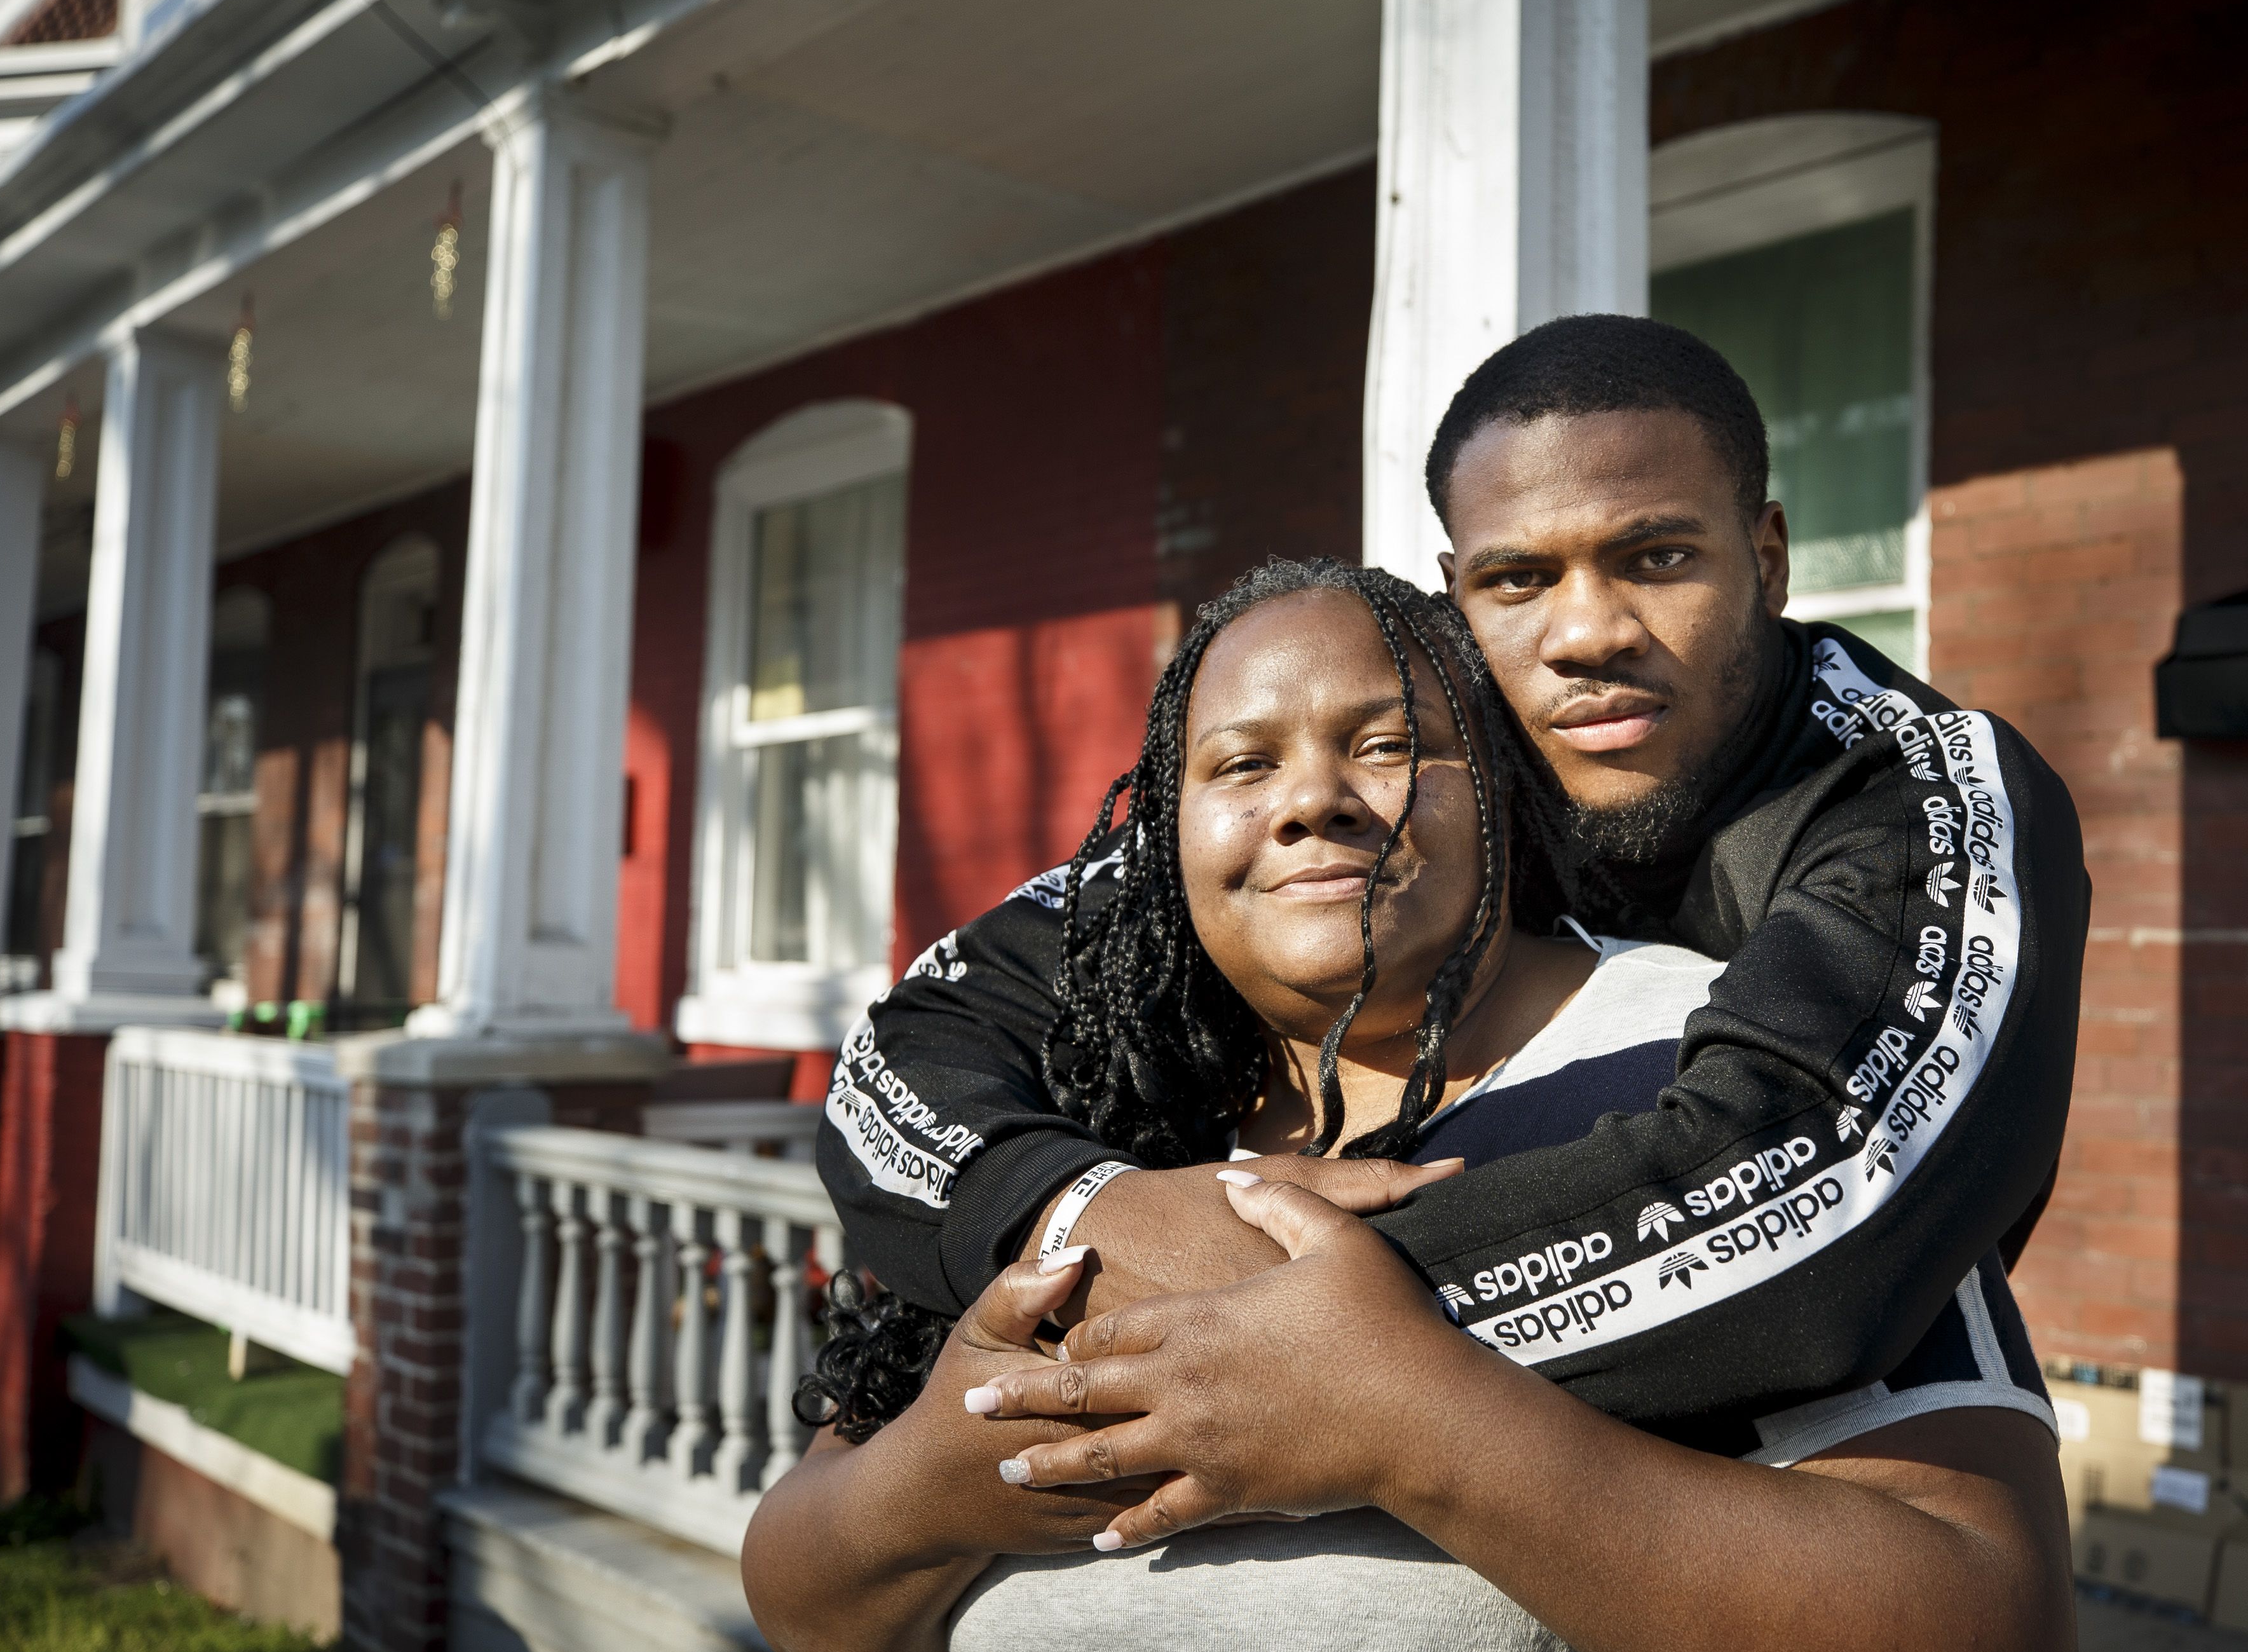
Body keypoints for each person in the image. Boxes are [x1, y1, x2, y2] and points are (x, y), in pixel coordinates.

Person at [744, 561, 2077, 1652]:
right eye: (1240, 764)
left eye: (1389, 745)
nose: (1312, 800)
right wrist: (929, 1485)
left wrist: (1410, 1424)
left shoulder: (1735, 1079)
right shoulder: (1084, 1099)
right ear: (1169, 828)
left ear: (1501, 790)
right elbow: (851, 1649)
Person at [815, 315, 2089, 1439]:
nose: (1585, 634)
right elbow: (915, 1048)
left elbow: (1812, 1201)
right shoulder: (1427, 782)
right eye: (1518, 579)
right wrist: (1081, 1213)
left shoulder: (1908, 789)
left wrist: (1260, 1322)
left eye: (1655, 558)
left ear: (1766, 556)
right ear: (1455, 593)